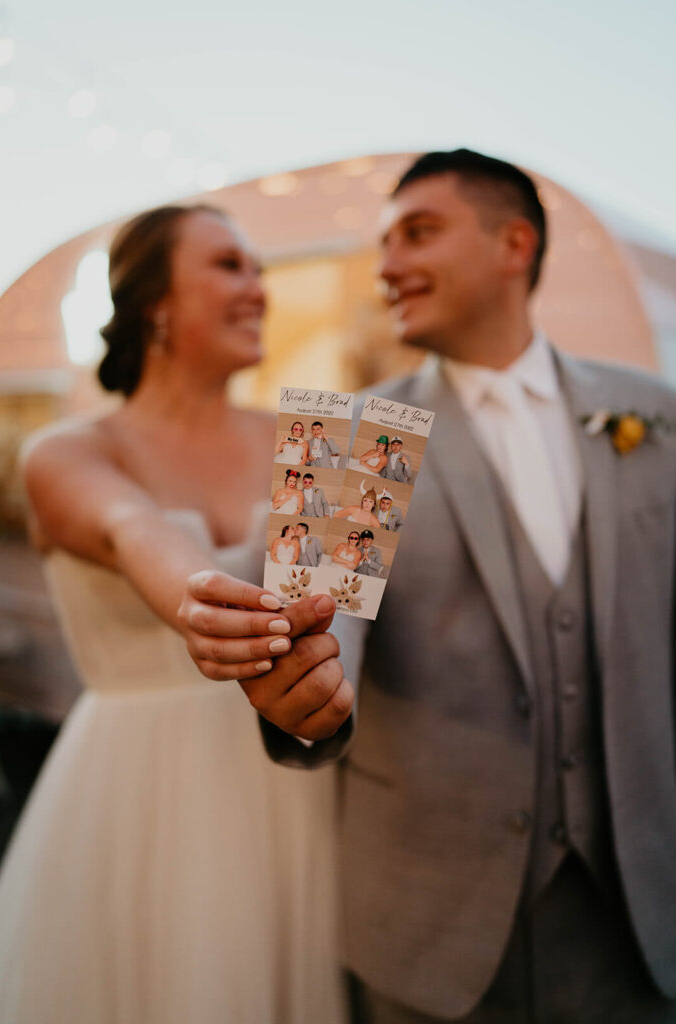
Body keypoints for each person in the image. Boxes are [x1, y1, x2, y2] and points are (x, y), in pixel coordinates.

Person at [247, 150, 676, 1022]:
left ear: (513, 244)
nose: (387, 267)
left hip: (639, 918)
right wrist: (299, 695)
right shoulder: (347, 434)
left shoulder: (654, 411)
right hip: (426, 933)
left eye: (418, 233)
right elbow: (317, 650)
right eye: (382, 244)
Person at [0, 204, 346, 1023]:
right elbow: (128, 527)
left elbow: (346, 620)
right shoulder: (69, 450)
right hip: (137, 798)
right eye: (229, 266)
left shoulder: (322, 437)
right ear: (154, 300)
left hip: (293, 789)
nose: (257, 289)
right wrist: (199, 599)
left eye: (259, 271)